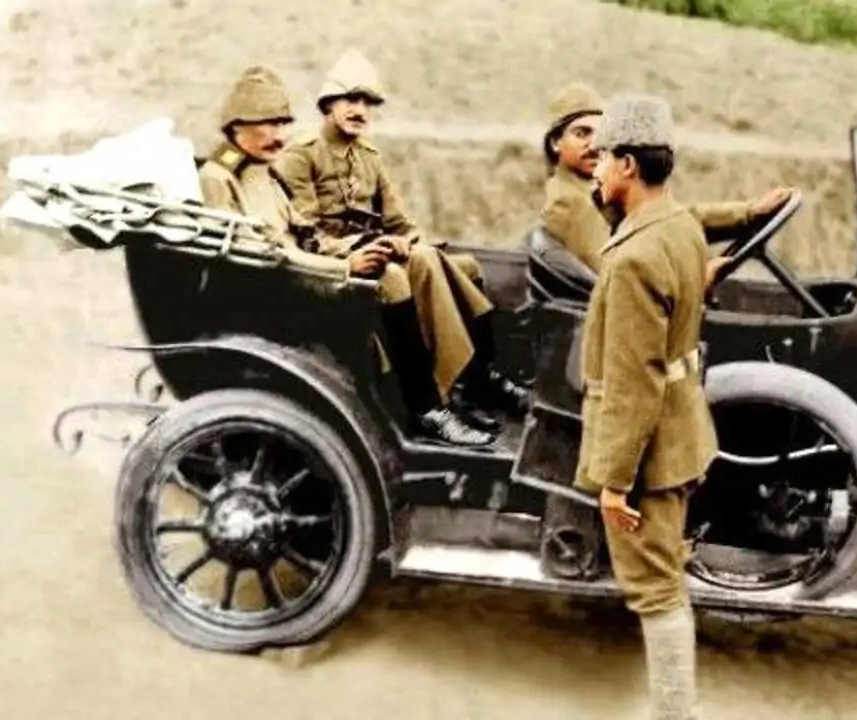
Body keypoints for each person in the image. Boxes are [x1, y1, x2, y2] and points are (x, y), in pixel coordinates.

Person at [196, 65, 494, 447]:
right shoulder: (220, 178)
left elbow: (303, 233)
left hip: (295, 275)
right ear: (237, 125)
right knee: (390, 280)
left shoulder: (260, 169)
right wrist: (344, 266)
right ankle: (426, 409)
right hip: (272, 298)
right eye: (268, 123)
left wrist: (366, 246)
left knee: (399, 267)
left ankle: (447, 393)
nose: (280, 135)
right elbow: (260, 258)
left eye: (283, 123)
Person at [272, 49, 530, 436]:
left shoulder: (369, 156)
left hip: (377, 251)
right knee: (413, 266)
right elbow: (306, 233)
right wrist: (365, 245)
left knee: (460, 263)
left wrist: (406, 239)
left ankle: (468, 380)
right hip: (337, 267)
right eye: (350, 100)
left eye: (367, 103)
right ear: (328, 104)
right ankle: (434, 401)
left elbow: (400, 221)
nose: (359, 110)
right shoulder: (303, 154)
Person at [573, 92, 717, 720]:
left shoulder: (633, 258)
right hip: (681, 431)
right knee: (665, 579)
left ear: (629, 164)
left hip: (648, 455)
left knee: (655, 591)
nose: (596, 166)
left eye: (604, 156)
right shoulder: (679, 226)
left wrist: (613, 482)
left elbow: (634, 385)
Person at [540, 81, 794, 285]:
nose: (594, 144)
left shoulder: (591, 191)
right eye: (581, 133)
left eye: (599, 134)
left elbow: (666, 221)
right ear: (555, 142)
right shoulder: (569, 202)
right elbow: (615, 278)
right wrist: (697, 283)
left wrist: (748, 213)